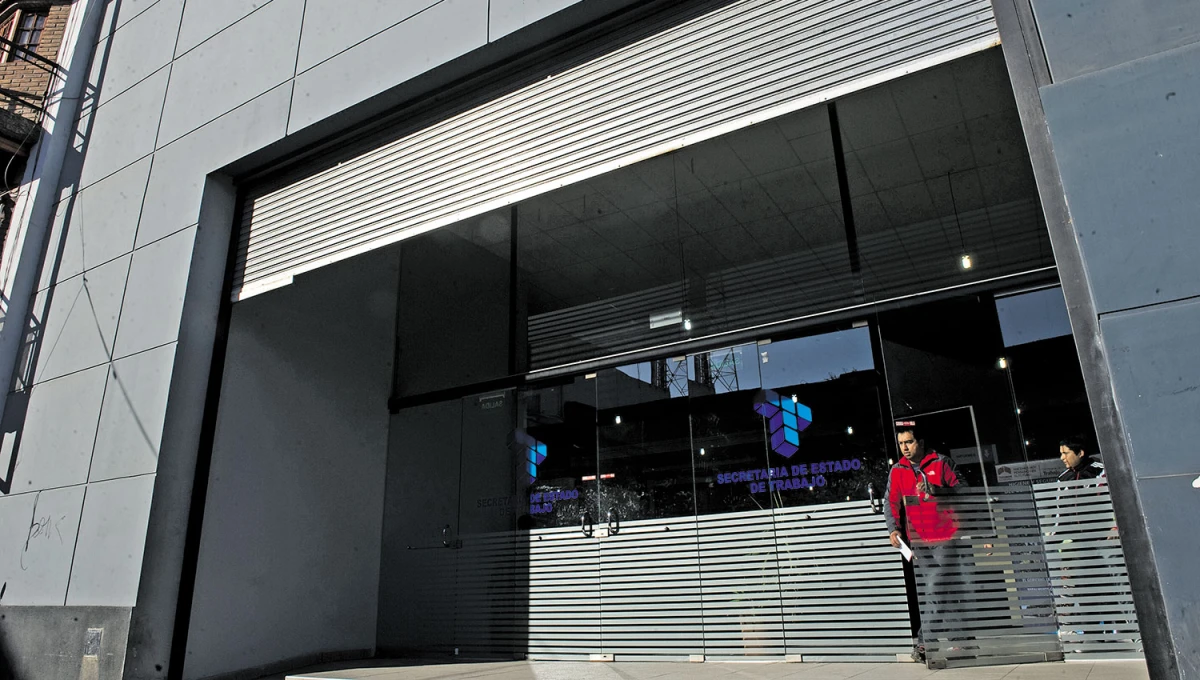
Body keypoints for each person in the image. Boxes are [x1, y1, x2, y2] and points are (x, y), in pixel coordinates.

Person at [884, 422, 962, 664]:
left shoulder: (941, 463)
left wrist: (936, 489)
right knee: (935, 590)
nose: (905, 448)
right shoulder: (897, 470)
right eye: (901, 443)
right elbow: (891, 501)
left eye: (909, 442)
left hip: (945, 536)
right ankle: (961, 639)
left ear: (921, 442)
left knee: (936, 586)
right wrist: (894, 528)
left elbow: (963, 492)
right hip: (917, 540)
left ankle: (924, 641)